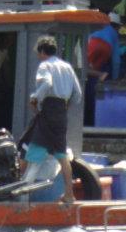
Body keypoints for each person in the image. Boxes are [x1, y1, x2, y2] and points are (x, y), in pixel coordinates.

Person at [20, 35, 82, 205]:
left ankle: (21, 201)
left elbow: (46, 84)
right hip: (61, 113)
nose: (38, 56)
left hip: (48, 111)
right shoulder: (67, 67)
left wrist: (34, 98)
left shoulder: (45, 65)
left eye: (38, 53)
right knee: (62, 156)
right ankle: (69, 195)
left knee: (32, 155)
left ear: (42, 51)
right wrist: (64, 108)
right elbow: (78, 95)